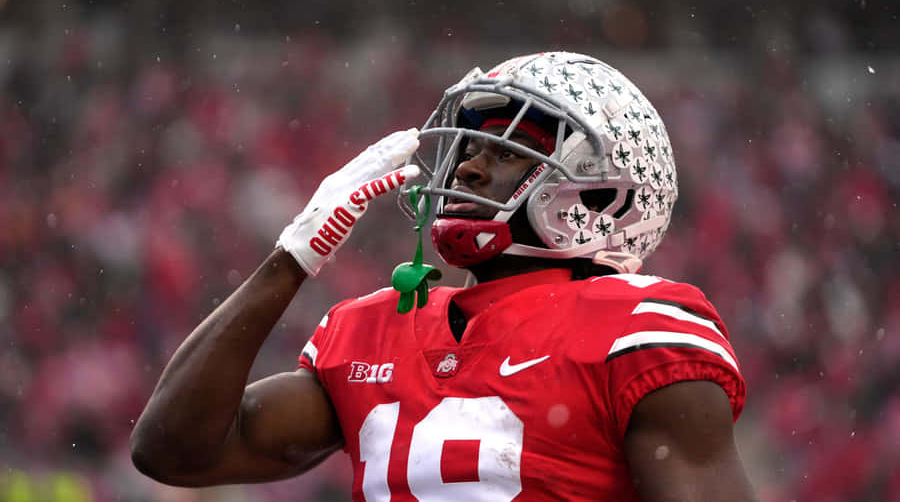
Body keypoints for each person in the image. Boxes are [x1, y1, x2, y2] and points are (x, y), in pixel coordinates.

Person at [130, 51, 758, 501]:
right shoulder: (374, 329)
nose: (468, 171)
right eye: (471, 149)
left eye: (508, 152)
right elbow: (175, 450)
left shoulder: (640, 328)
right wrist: (291, 257)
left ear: (599, 200)